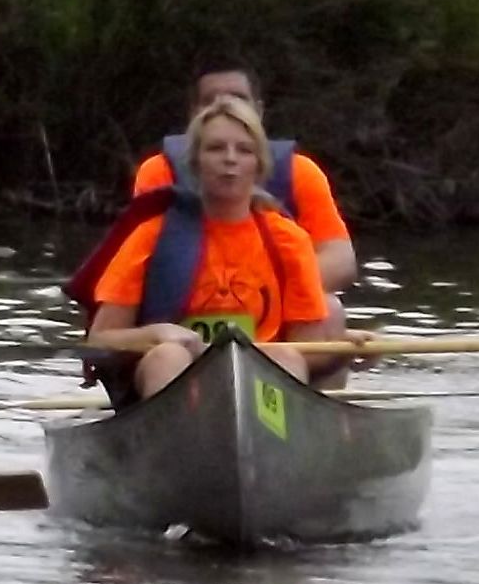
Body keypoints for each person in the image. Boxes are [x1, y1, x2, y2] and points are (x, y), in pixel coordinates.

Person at [83, 94, 340, 399]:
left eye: (244, 150)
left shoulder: (289, 240)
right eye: (216, 148)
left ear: (258, 165)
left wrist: (344, 349)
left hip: (258, 374)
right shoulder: (151, 234)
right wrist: (158, 334)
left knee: (286, 357)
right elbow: (101, 339)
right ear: (196, 163)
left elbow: (307, 348)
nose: (230, 159)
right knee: (168, 356)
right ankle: (178, 438)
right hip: (179, 369)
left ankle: (270, 439)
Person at [131, 64, 355, 295]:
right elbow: (137, 266)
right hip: (182, 307)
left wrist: (256, 294)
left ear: (258, 111)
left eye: (238, 99)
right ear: (194, 114)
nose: (225, 109)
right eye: (211, 101)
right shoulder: (159, 170)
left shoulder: (301, 173)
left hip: (273, 304)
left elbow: (340, 261)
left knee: (330, 309)